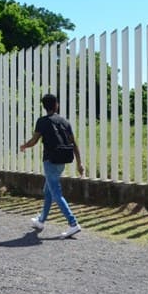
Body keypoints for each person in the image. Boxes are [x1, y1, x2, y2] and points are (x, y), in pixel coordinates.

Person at [19, 94, 85, 239]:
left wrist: (24, 146)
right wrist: (79, 163)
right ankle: (41, 221)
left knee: (55, 192)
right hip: (63, 160)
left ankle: (73, 224)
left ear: (44, 106)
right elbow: (74, 144)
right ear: (57, 105)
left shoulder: (42, 121)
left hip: (50, 160)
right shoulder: (65, 121)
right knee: (48, 190)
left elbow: (34, 141)